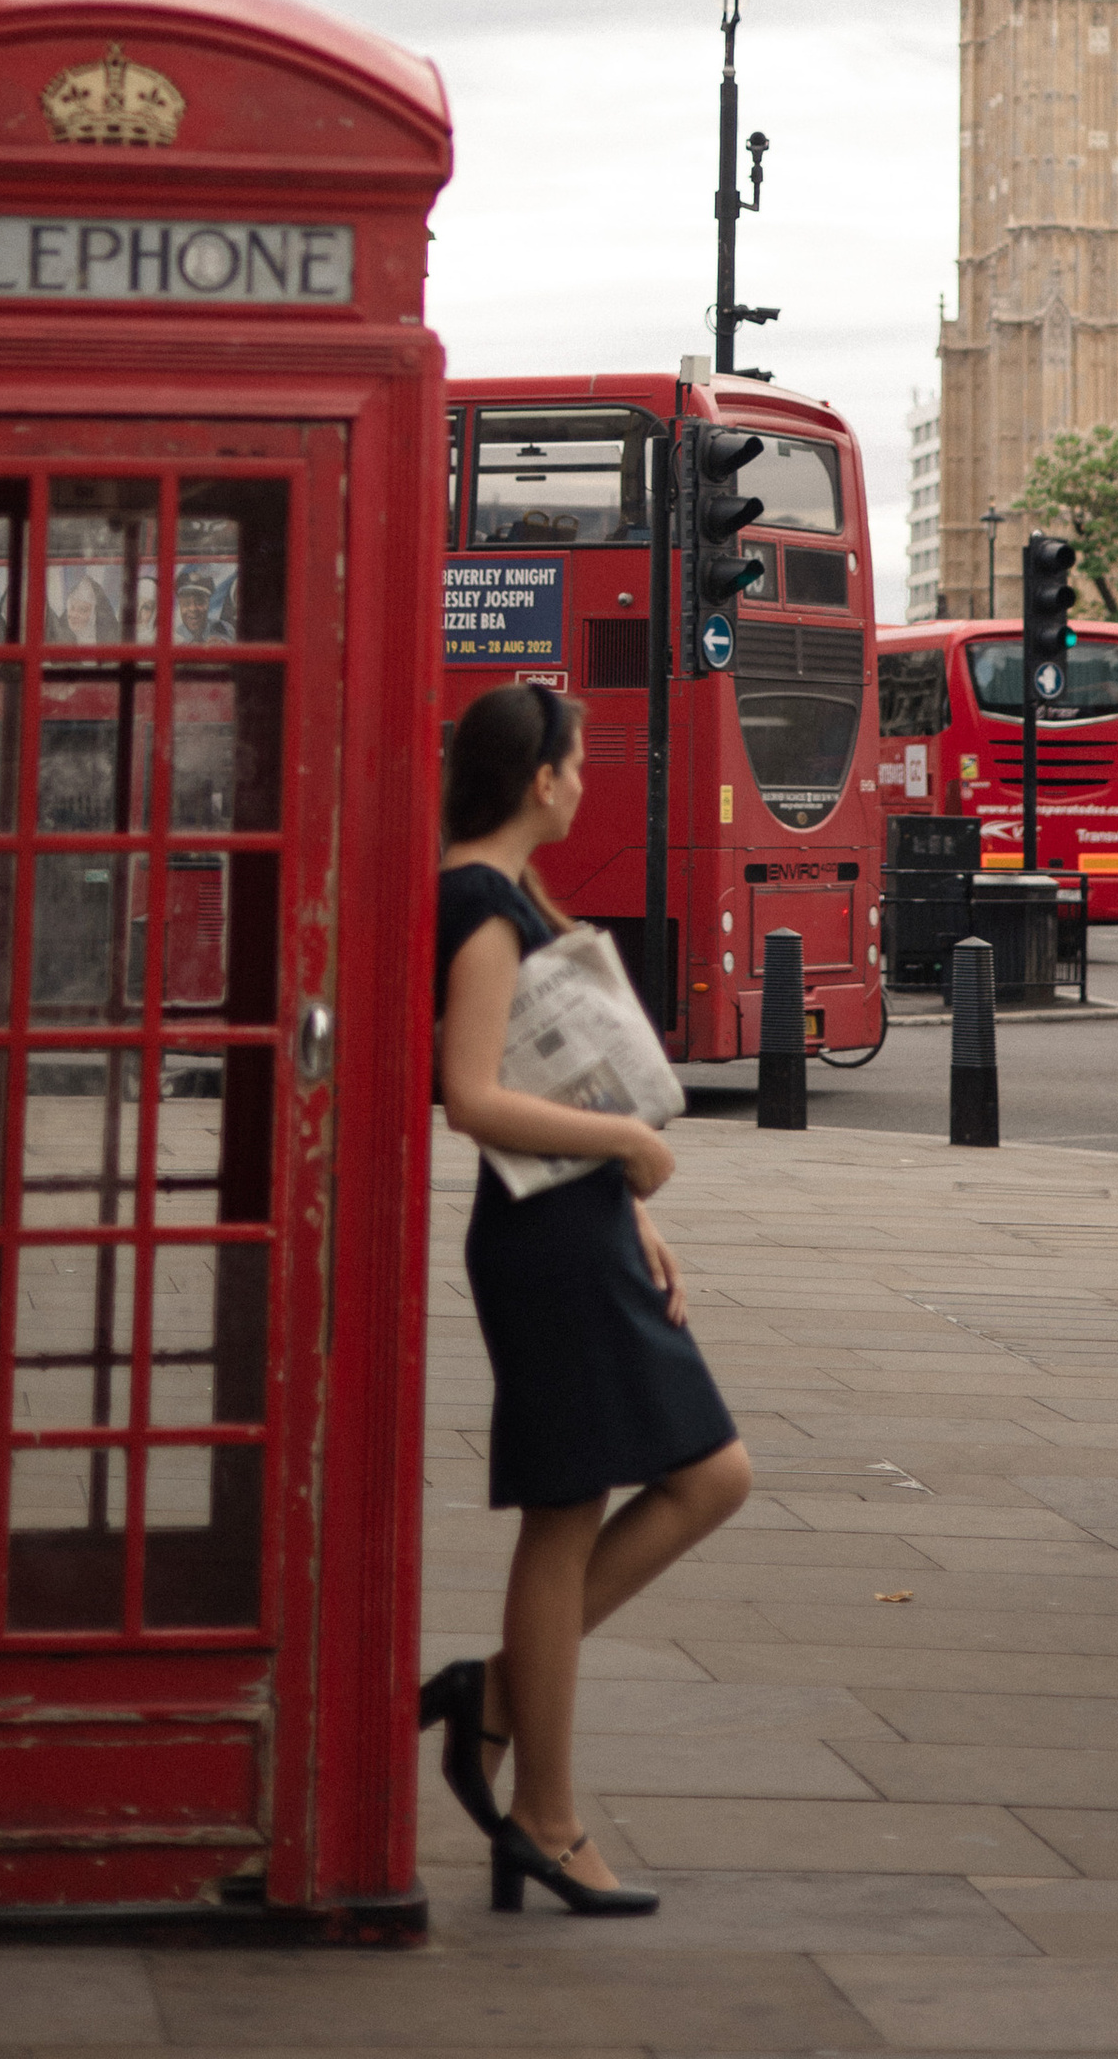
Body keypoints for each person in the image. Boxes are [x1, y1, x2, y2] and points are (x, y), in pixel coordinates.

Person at [423, 683, 751, 1919]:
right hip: (541, 1244)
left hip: (575, 1229)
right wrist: (626, 1147)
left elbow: (533, 1070)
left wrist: (637, 1212)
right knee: (594, 1507)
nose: (584, 780)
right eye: (574, 762)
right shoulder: (479, 903)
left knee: (679, 1485)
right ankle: (543, 1817)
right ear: (539, 777)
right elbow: (470, 1094)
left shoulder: (502, 896)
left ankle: (498, 1706)